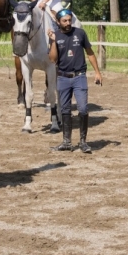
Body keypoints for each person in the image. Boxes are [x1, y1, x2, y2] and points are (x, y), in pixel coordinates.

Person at [47, 8, 103, 153]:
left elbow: (90, 53)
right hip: (62, 78)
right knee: (65, 110)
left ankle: (83, 142)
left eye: (69, 20)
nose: (68, 23)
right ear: (58, 22)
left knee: (83, 108)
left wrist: (97, 72)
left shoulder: (80, 33)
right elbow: (53, 59)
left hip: (79, 77)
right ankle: (66, 142)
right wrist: (53, 41)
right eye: (64, 21)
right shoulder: (55, 36)